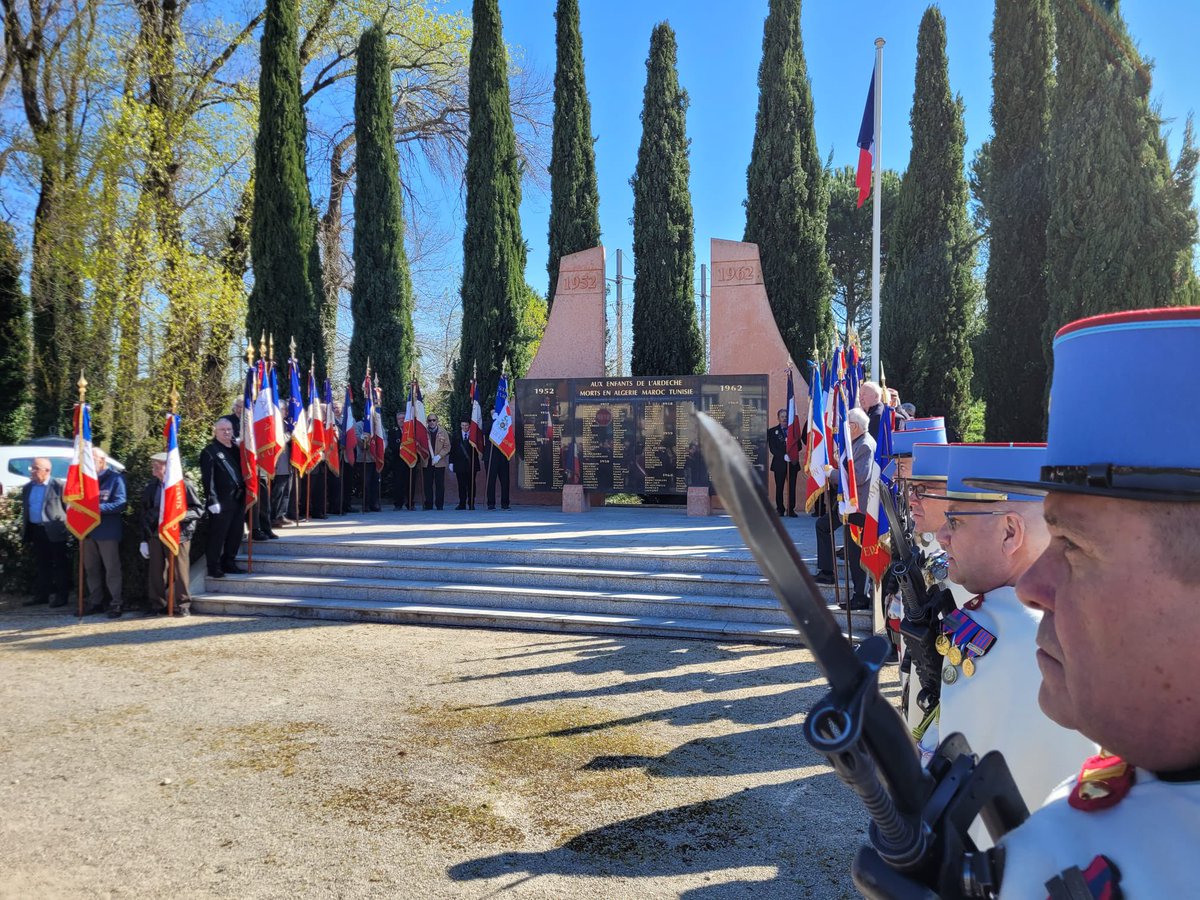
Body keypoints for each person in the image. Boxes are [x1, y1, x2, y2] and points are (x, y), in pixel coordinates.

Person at [924, 443, 1095, 843]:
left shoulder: (1019, 636)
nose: (942, 535)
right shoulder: (1036, 630)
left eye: (956, 521)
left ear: (1010, 532)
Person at [813, 408, 876, 609]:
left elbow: (859, 477)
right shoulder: (856, 442)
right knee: (824, 526)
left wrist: (832, 474)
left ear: (854, 426)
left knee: (855, 552)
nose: (842, 429)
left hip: (858, 508)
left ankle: (860, 596)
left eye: (846, 424)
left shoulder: (864, 444)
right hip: (847, 504)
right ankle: (827, 572)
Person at [140, 452, 202, 616]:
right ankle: (157, 604)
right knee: (156, 571)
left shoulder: (184, 485)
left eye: (157, 465)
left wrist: (177, 517)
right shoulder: (152, 486)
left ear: (168, 467)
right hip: (156, 534)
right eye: (153, 465)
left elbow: (197, 510)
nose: (153, 468)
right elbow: (144, 512)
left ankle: (182, 605)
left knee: (180, 572)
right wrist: (144, 539)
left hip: (178, 534)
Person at [20, 457, 70, 608]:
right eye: (31, 468)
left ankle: (62, 596)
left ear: (47, 470)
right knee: (42, 564)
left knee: (60, 564)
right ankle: (42, 595)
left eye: (35, 468)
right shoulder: (28, 487)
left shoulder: (59, 486)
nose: (32, 471)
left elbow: (68, 508)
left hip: (55, 531)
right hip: (36, 530)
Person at [84, 449, 127, 617]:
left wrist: (95, 508)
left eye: (92, 459)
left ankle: (116, 603)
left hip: (107, 532)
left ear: (102, 460)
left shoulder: (115, 478)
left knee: (112, 570)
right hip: (87, 531)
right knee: (91, 569)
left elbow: (120, 504)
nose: (88, 462)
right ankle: (95, 602)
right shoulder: (85, 480)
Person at [199, 418, 245, 578]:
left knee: (235, 533)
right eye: (223, 430)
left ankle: (229, 562)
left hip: (238, 499)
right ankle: (214, 566)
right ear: (215, 431)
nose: (226, 432)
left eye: (229, 429)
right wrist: (212, 500)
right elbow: (208, 479)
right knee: (218, 535)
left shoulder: (237, 449)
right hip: (221, 501)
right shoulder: (210, 451)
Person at [767, 408, 799, 517]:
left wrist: (791, 455)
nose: (784, 419)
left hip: (792, 463)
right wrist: (783, 456)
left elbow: (798, 446)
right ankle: (780, 509)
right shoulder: (772, 431)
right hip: (779, 464)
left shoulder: (794, 431)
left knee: (792, 487)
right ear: (778, 418)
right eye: (782, 417)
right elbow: (772, 448)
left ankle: (791, 509)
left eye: (786, 416)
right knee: (779, 487)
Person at [450, 419, 480, 510]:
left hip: (471, 464)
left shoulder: (474, 435)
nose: (464, 427)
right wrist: (451, 462)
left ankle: (471, 503)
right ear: (460, 425)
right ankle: (462, 503)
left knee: (471, 484)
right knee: (461, 484)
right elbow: (452, 450)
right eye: (462, 425)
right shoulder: (456, 435)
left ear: (469, 425)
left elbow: (479, 447)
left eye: (466, 425)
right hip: (459, 464)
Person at [423, 414, 449, 510]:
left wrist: (439, 456)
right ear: (427, 422)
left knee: (440, 484)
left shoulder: (443, 432)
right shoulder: (424, 432)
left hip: (439, 462)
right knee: (427, 484)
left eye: (434, 420)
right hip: (427, 462)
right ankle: (428, 504)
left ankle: (439, 505)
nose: (432, 422)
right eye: (430, 420)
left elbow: (447, 447)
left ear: (437, 421)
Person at [485, 436, 510, 510]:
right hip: (491, 456)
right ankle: (491, 503)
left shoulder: (504, 423)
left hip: (503, 456)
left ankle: (505, 504)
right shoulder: (487, 423)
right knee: (491, 481)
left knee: (505, 481)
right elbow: (484, 431)